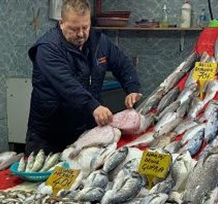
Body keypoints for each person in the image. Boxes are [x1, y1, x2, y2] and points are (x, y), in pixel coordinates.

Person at [26, 0, 142, 154]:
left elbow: (122, 63)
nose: (81, 34)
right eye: (74, 29)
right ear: (62, 23)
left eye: (85, 27)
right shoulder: (48, 49)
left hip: (87, 130)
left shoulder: (99, 41)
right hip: (50, 136)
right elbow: (67, 85)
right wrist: (93, 106)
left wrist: (132, 88)